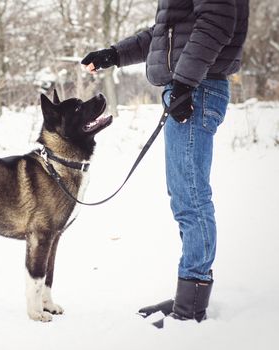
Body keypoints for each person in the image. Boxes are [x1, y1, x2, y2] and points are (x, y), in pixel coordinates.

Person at [81, 0, 249, 326]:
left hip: (197, 88)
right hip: (190, 86)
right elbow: (165, 35)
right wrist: (115, 54)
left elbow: (217, 19)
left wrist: (185, 83)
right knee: (183, 194)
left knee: (191, 196)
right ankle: (190, 294)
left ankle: (191, 305)